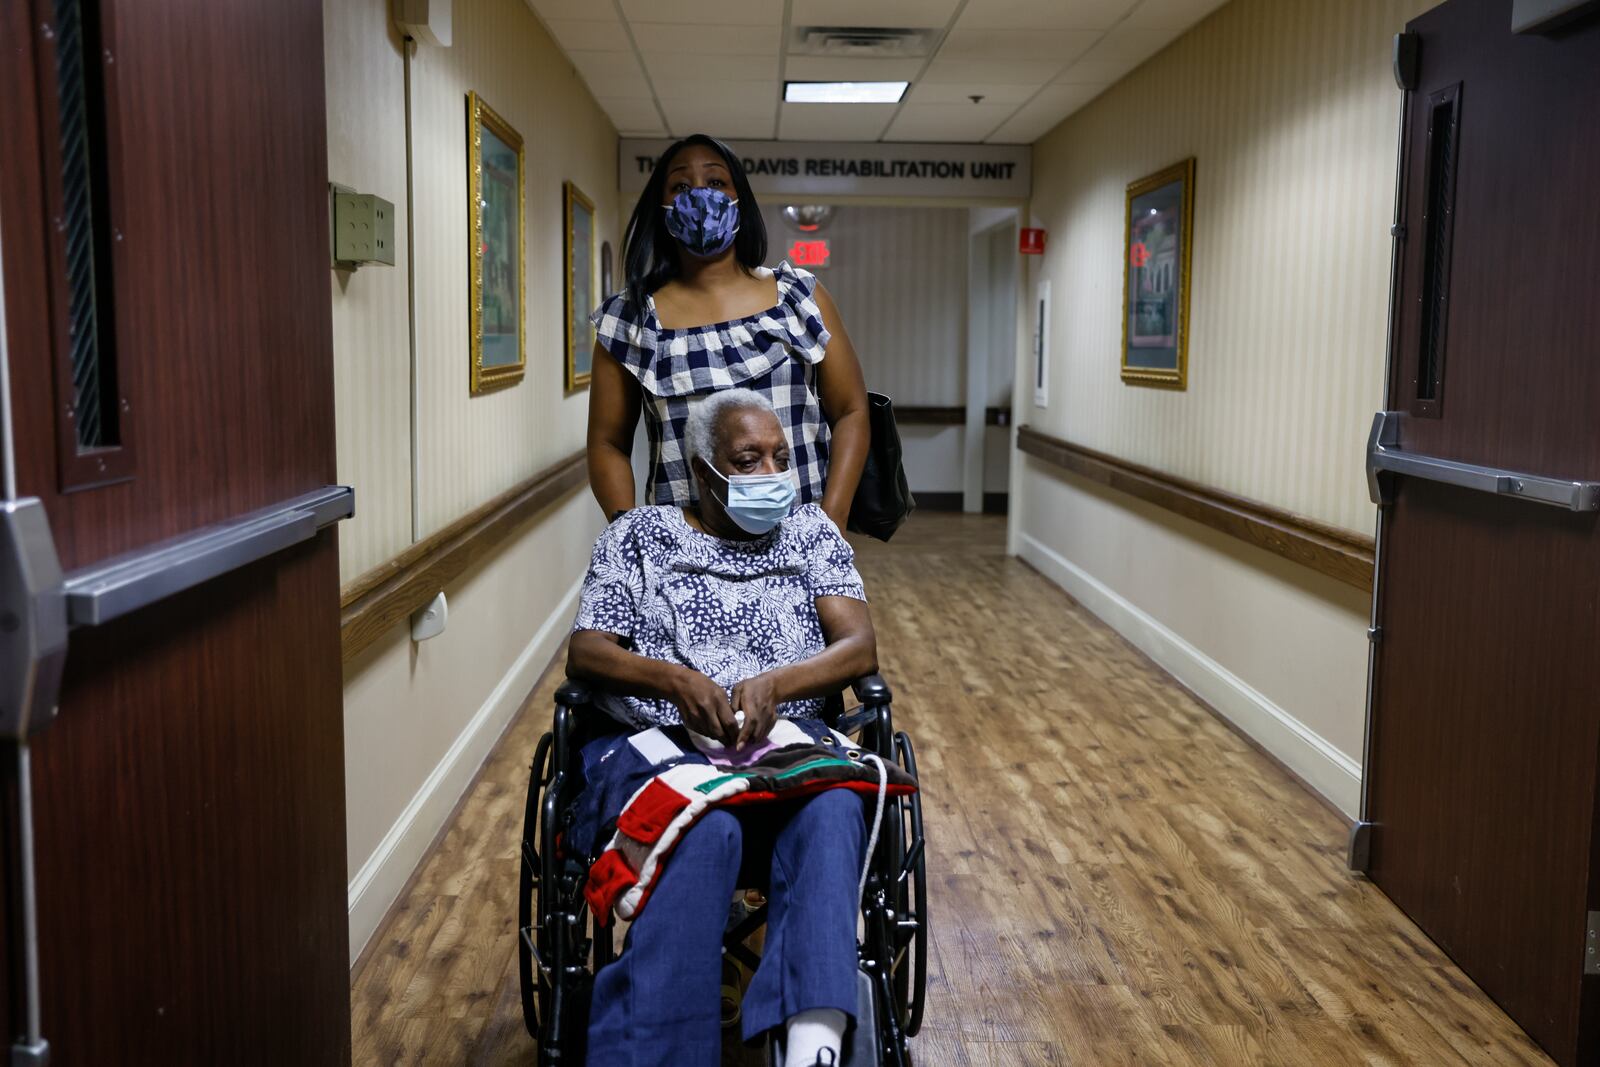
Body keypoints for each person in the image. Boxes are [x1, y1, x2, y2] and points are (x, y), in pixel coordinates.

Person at [568, 389, 878, 1067]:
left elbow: (857, 648)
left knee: (832, 807)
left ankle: (813, 1045)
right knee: (706, 828)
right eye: (748, 459)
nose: (772, 472)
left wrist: (778, 684)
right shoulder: (638, 536)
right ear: (702, 469)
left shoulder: (810, 533)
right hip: (665, 752)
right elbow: (588, 650)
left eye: (779, 456)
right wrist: (676, 681)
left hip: (784, 750)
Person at [586, 134, 870, 533]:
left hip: (800, 539)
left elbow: (852, 411)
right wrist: (630, 533)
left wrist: (833, 521)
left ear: (740, 198)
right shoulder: (630, 319)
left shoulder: (799, 297)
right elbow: (607, 443)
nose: (700, 196)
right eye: (681, 186)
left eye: (717, 183)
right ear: (662, 206)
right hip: (686, 554)